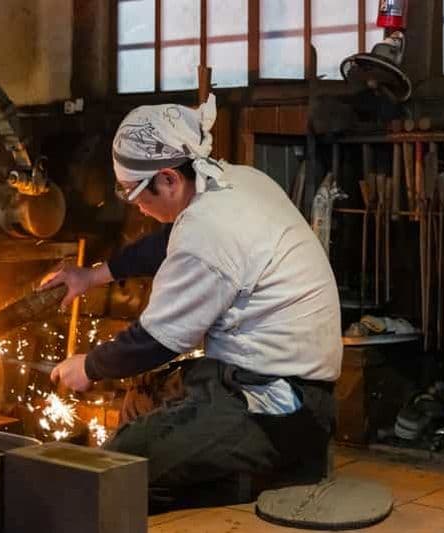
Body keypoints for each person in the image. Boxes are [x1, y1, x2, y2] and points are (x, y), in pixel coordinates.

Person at [42, 94, 342, 511]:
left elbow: (156, 342)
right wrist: (91, 276)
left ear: (168, 179)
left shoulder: (208, 232)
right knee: (142, 396)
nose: (138, 208)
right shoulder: (231, 181)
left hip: (279, 404)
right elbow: (166, 241)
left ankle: (265, 475)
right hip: (251, 374)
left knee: (118, 469)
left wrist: (88, 367)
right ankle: (211, 466)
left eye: (135, 194)